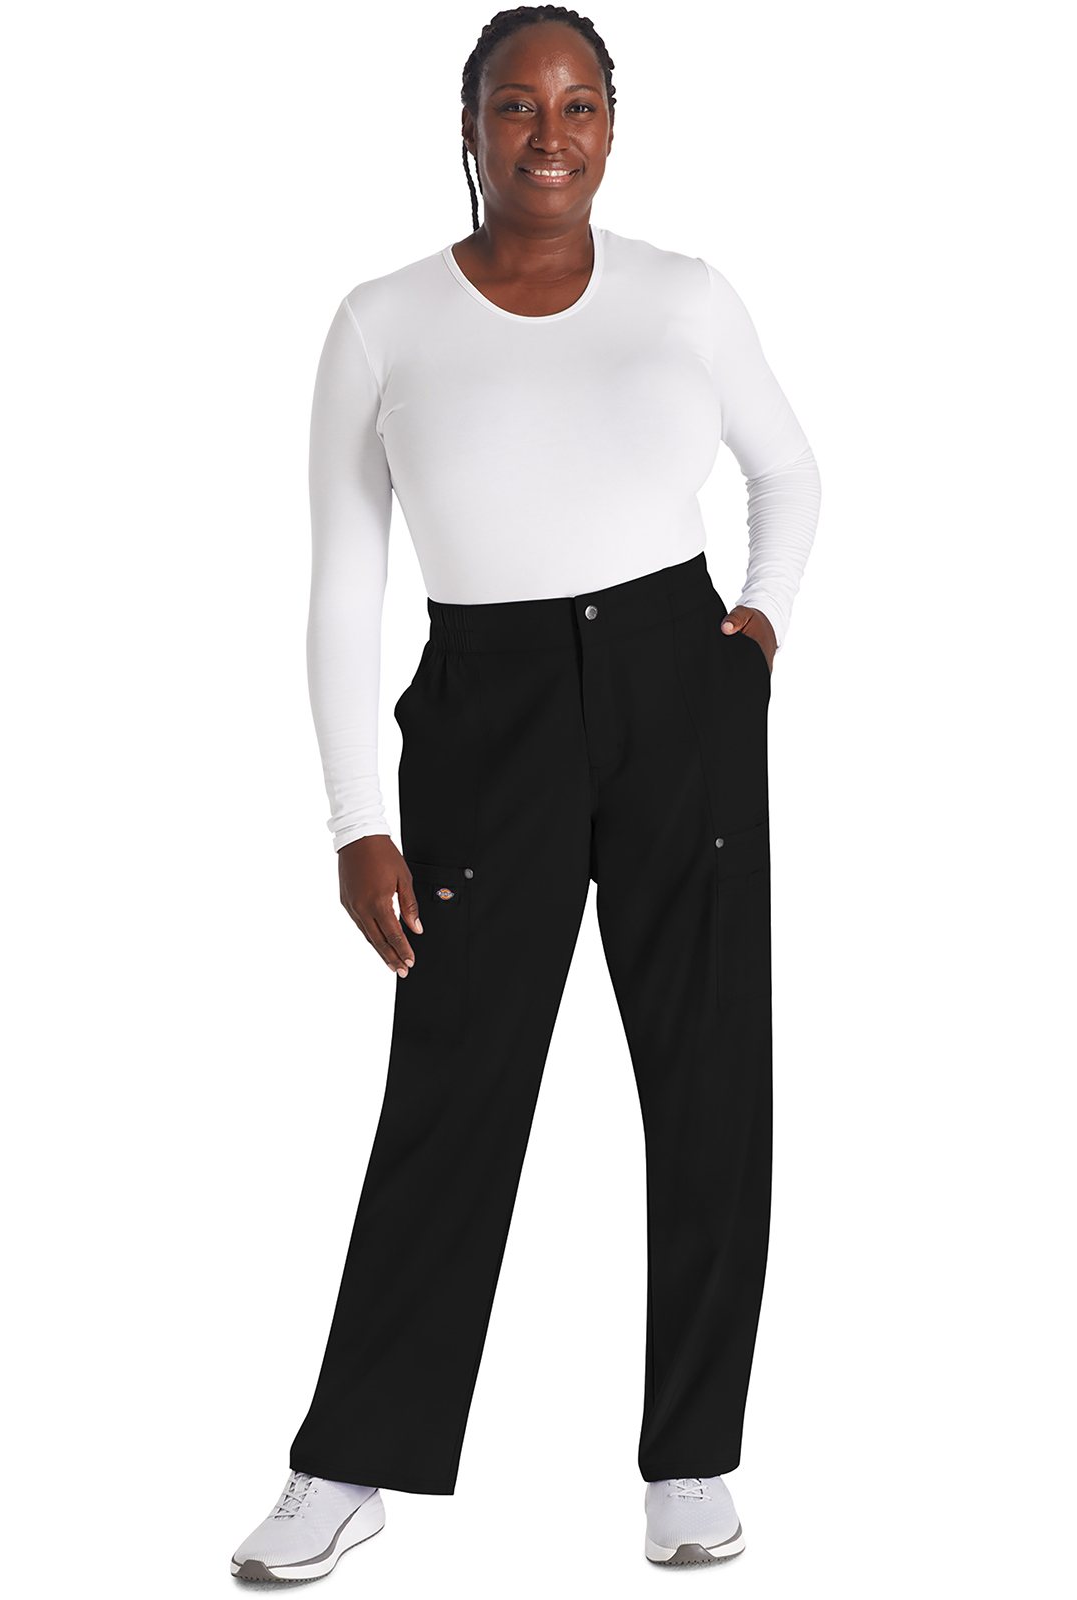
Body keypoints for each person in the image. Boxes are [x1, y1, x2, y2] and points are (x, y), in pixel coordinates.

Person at [231, 4, 821, 1580]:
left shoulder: (685, 297)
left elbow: (789, 471)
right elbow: (343, 582)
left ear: (612, 125)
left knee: (710, 1080)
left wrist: (756, 634)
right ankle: (349, 1463)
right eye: (515, 105)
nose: (547, 135)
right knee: (453, 1087)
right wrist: (357, 818)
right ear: (470, 125)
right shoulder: (383, 323)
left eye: (577, 105)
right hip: (486, 716)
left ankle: (692, 1462)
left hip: (679, 693)